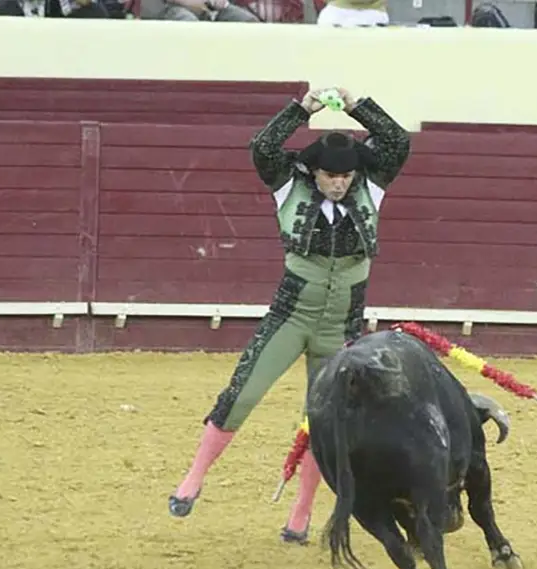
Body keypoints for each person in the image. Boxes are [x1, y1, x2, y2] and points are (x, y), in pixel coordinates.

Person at [167, 86, 412, 545]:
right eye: (331, 175)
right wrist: (302, 108)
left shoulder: (370, 185)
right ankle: (193, 478)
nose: (340, 182)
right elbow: (262, 147)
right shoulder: (289, 184)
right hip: (291, 316)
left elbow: (398, 141)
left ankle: (299, 516)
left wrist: (360, 105)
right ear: (313, 170)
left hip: (342, 327)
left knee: (324, 421)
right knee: (242, 393)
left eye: (346, 175)